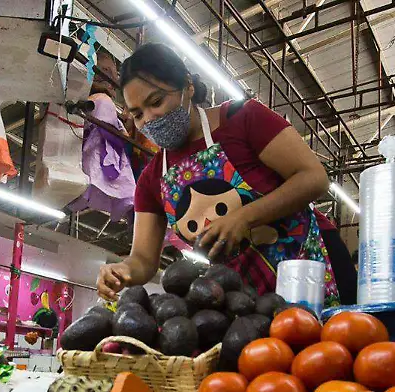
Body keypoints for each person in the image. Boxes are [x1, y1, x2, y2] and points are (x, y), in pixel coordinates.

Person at [97, 43, 357, 303]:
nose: (149, 119)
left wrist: (244, 218)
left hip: (314, 263)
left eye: (156, 102)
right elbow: (143, 259)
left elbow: (314, 178)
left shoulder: (243, 119)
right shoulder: (151, 181)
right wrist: (123, 270)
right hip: (248, 298)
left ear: (187, 86)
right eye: (138, 114)